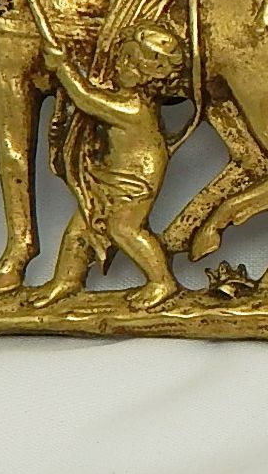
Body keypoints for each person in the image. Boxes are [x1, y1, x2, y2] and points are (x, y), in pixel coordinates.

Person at [28, 23, 185, 310]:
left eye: (128, 61)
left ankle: (162, 281)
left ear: (146, 75)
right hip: (112, 172)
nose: (119, 65)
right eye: (121, 57)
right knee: (81, 226)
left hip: (135, 177)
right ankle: (66, 280)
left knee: (123, 228)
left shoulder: (132, 109)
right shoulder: (125, 101)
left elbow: (85, 99)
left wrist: (62, 67)